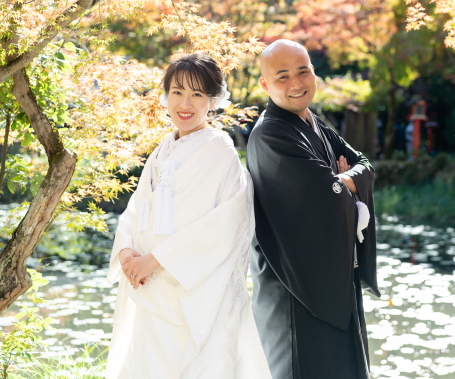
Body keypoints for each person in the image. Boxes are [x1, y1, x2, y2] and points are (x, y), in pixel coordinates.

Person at [106, 53, 272, 379]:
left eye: (197, 94)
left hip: (192, 289)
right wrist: (127, 251)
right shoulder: (161, 151)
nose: (186, 102)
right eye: (177, 91)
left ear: (212, 101)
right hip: (149, 285)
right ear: (165, 95)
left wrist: (156, 260)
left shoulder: (220, 150)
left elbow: (225, 226)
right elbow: (137, 208)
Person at [247, 39, 379, 379]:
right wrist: (337, 183)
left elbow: (365, 166)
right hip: (293, 285)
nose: (296, 84)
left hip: (331, 276)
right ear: (265, 84)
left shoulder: (315, 124)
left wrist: (339, 180)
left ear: (314, 74)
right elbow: (323, 195)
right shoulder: (270, 135)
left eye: (303, 72)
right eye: (283, 76)